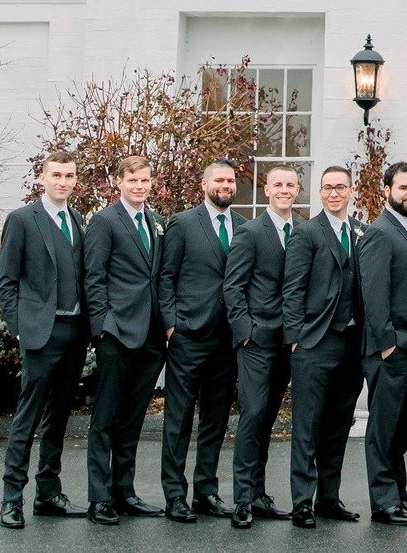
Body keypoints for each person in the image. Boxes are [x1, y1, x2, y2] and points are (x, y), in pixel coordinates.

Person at [0, 148, 89, 528]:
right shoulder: (22, 220)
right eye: (56, 175)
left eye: (69, 176)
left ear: (75, 181)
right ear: (42, 178)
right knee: (28, 416)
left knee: (59, 415)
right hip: (39, 332)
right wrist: (19, 327)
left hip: (74, 331)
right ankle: (11, 499)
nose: (63, 182)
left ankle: (48, 493)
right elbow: (7, 281)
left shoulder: (79, 220)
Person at [82, 152, 167, 525]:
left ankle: (124, 491)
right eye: (132, 181)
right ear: (119, 183)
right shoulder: (104, 221)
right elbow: (94, 277)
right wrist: (102, 326)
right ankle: (99, 497)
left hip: (151, 335)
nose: (139, 187)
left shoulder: (156, 221)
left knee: (132, 418)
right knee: (106, 417)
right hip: (116, 333)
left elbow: (157, 276)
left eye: (145, 180)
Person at [156, 159, 242, 521]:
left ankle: (206, 491)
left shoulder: (244, 227)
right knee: (178, 419)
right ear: (204, 184)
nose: (225, 184)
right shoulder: (183, 223)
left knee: (216, 419)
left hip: (227, 339)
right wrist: (172, 325)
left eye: (230, 180)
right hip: (189, 335)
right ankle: (175, 494)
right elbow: (166, 277)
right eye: (219, 179)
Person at [282, 165, 365, 529]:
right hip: (315, 341)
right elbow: (292, 288)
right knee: (308, 425)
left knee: (338, 424)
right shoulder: (306, 233)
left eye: (341, 187)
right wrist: (296, 337)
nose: (334, 193)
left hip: (351, 344)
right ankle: (302, 501)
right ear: (320, 192)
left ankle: (329, 498)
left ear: (351, 191)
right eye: (328, 188)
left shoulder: (360, 231)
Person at [224, 164, 301, 529]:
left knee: (269, 418)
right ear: (266, 191)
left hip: (289, 342)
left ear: (297, 190)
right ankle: (242, 499)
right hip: (256, 341)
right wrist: (245, 331)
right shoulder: (251, 232)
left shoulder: (302, 230)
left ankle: (259, 492)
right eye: (278, 185)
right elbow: (233, 286)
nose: (284, 190)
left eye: (290, 184)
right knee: (252, 415)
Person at [360, 161, 407, 525]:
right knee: (384, 428)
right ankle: (384, 502)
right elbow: (373, 293)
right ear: (386, 191)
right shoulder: (379, 232)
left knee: (402, 428)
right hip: (392, 349)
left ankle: (399, 496)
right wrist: (387, 343)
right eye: (403, 188)